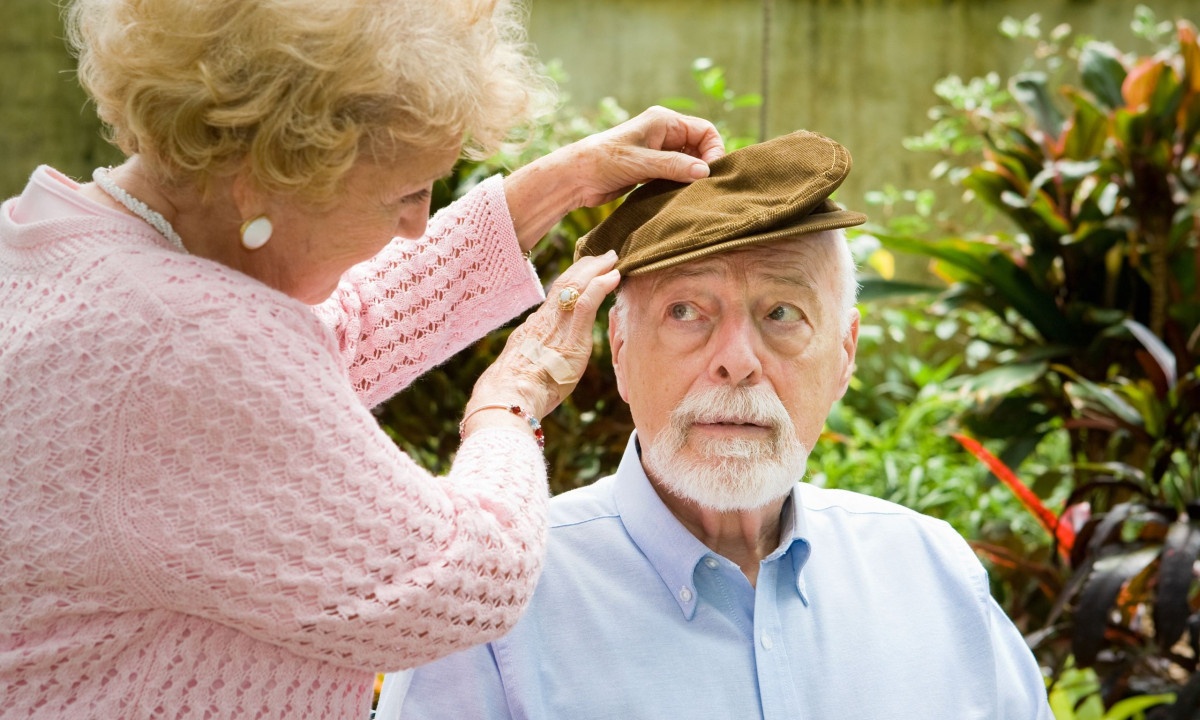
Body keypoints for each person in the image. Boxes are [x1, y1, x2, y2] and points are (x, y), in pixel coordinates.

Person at [0, 0, 726, 716]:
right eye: (406, 193)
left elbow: (331, 331)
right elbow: (471, 577)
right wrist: (511, 402)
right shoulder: (192, 342)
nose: (418, 222)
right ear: (275, 171)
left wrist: (565, 182)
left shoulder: (58, 243)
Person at [395, 130, 1054, 719]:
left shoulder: (935, 577)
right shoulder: (491, 616)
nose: (736, 362)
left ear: (845, 354)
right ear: (618, 350)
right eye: (686, 311)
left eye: (782, 313)